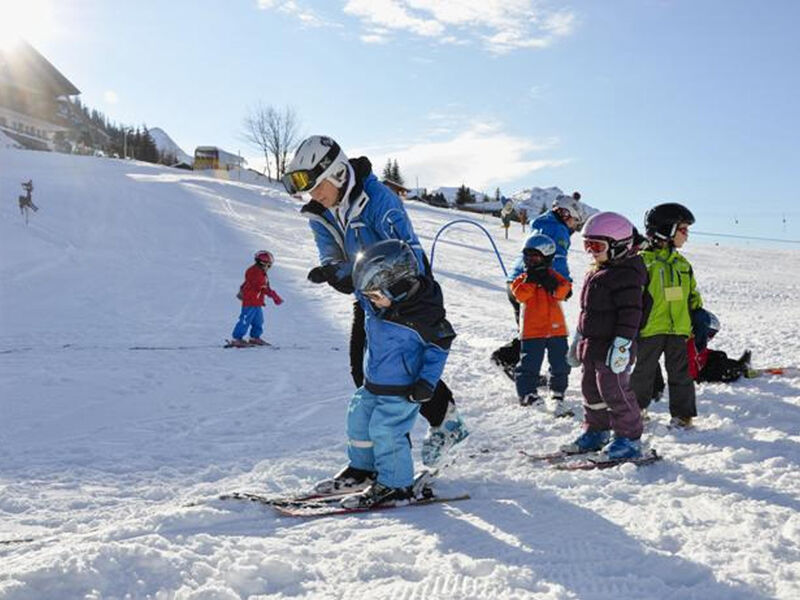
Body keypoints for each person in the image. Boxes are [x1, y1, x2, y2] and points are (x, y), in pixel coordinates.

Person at [282, 135, 468, 470]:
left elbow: (407, 251)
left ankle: (437, 429)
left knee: (402, 374)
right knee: (366, 374)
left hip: (407, 299)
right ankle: (378, 459)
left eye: (317, 186)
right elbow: (330, 254)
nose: (314, 195)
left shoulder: (377, 199)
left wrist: (403, 294)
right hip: (369, 299)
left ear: (337, 173)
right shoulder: (320, 212)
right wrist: (336, 273)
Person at [326, 240, 456, 508]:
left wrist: (427, 383)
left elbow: (439, 347)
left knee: (387, 432)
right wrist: (333, 273)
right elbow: (356, 286)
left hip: (402, 390)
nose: (369, 300)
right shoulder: (377, 304)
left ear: (398, 287)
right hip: (373, 384)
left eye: (374, 295)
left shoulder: (423, 317)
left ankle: (397, 486)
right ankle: (364, 469)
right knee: (358, 421)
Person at [562, 212, 649, 459]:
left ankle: (628, 438)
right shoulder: (598, 271)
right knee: (590, 389)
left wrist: (622, 344)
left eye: (597, 245)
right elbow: (588, 311)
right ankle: (597, 431)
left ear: (619, 246)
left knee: (615, 392)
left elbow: (632, 313)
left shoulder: (628, 274)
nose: (590, 251)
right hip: (593, 345)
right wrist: (578, 338)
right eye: (587, 244)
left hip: (615, 348)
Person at [491, 192, 585, 380]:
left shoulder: (542, 224)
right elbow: (556, 259)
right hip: (532, 285)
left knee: (530, 328)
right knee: (536, 330)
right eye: (575, 221)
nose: (575, 226)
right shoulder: (558, 230)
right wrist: (563, 284)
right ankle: (507, 359)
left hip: (517, 282)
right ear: (566, 214)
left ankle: (517, 365)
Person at [630, 203, 703, 429]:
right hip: (650, 328)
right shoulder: (643, 261)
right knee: (643, 372)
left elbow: (692, 293)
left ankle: (683, 416)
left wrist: (697, 314)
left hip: (678, 330)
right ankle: (635, 410)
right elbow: (633, 296)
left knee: (681, 374)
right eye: (683, 230)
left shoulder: (682, 264)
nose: (687, 236)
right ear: (667, 230)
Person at [509, 234, 572, 409]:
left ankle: (557, 391)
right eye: (527, 257)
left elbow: (565, 292)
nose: (530, 261)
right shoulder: (523, 279)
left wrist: (551, 283)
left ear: (546, 257)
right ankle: (527, 393)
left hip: (556, 329)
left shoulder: (553, 275)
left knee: (560, 362)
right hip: (532, 330)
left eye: (535, 257)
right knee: (529, 363)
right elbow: (520, 295)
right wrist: (531, 281)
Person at [649, 309, 751, 396]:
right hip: (702, 371)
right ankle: (740, 368)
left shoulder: (693, 340)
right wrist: (696, 377)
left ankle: (737, 365)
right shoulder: (690, 344)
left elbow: (702, 352)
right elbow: (689, 368)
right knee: (720, 367)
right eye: (710, 334)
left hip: (703, 362)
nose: (710, 338)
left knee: (719, 355)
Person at [229, 250, 283, 347]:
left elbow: (247, 283)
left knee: (258, 321)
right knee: (245, 320)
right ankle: (236, 339)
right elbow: (263, 288)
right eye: (268, 265)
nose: (269, 267)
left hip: (257, 302)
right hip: (251, 301)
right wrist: (275, 296)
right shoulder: (256, 272)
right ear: (263, 263)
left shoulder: (259, 271)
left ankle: (254, 338)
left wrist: (241, 289)